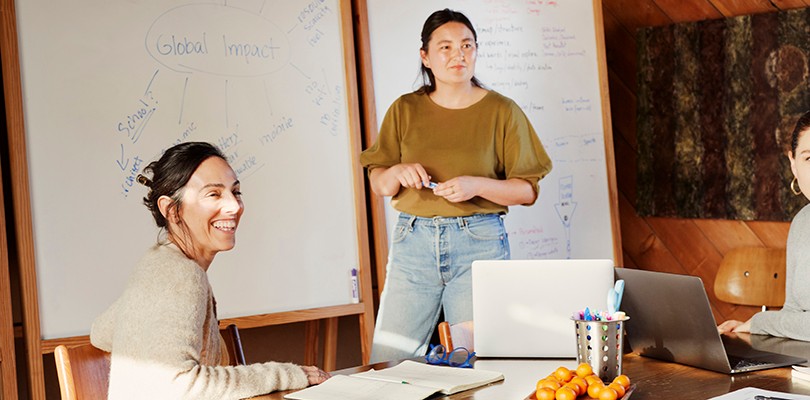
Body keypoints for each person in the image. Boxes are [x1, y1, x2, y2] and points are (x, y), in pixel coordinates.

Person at [360, 9, 552, 362]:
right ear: (426, 57)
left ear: (476, 50)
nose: (458, 54)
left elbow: (527, 189)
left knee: (474, 361)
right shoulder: (404, 109)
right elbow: (379, 183)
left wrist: (476, 185)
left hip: (479, 243)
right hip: (412, 245)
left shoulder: (502, 111)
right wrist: (397, 171)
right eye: (445, 47)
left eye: (466, 45)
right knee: (389, 360)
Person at [90, 142, 329, 399]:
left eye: (235, 192)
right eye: (214, 194)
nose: (234, 206)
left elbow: (100, 332)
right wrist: (287, 375)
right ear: (171, 210)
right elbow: (178, 385)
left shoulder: (159, 266)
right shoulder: (180, 275)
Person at [717, 112, 810, 342]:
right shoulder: (801, 223)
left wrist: (760, 322)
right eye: (809, 159)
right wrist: (751, 328)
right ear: (793, 165)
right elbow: (793, 312)